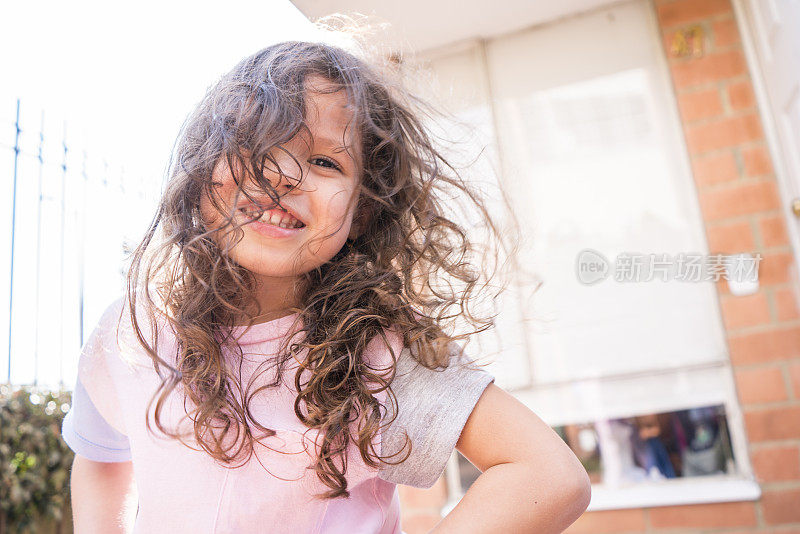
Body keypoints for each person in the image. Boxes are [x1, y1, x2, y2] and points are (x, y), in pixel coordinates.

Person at [61, 29, 591, 534]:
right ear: (201, 167)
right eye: (254, 142)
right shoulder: (129, 331)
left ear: (362, 211)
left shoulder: (379, 351)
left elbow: (548, 475)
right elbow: (102, 459)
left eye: (324, 160)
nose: (283, 175)